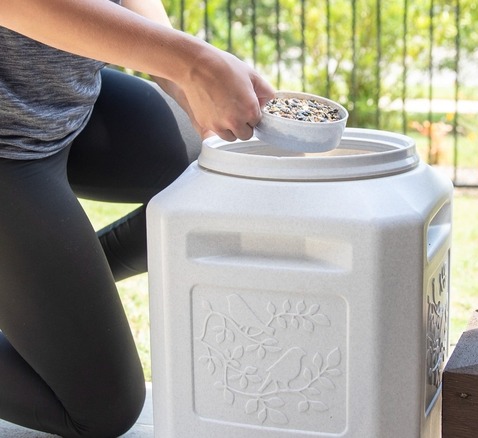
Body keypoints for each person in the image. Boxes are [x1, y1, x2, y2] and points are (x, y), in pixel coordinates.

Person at [0, 0, 275, 436]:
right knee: (103, 410)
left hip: (69, 105)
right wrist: (191, 62)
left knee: (223, 179)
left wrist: (190, 84)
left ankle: (46, 290)